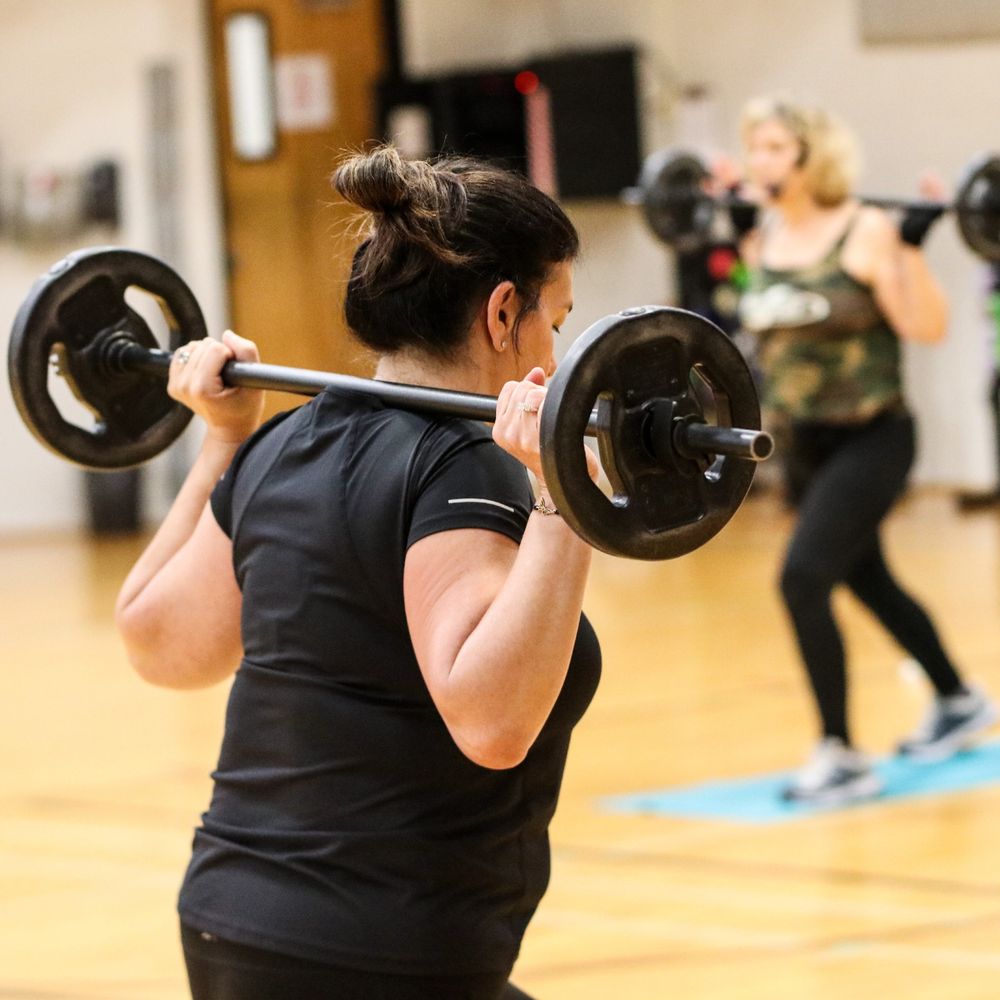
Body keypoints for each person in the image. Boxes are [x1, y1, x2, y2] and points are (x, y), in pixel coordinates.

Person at [114, 146, 601, 1000]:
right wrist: (566, 503)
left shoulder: (285, 443)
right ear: (500, 314)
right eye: (553, 322)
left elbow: (160, 645)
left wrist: (226, 438)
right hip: (382, 954)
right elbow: (491, 722)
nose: (556, 361)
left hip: (231, 923)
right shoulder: (466, 466)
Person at [725, 96, 997, 805]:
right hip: (804, 445)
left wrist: (911, 249)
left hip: (874, 436)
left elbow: (927, 326)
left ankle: (840, 752)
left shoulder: (866, 229)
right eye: (755, 150)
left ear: (812, 157)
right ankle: (956, 697)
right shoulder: (764, 237)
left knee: (802, 578)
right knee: (865, 578)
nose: (762, 163)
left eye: (776, 149)